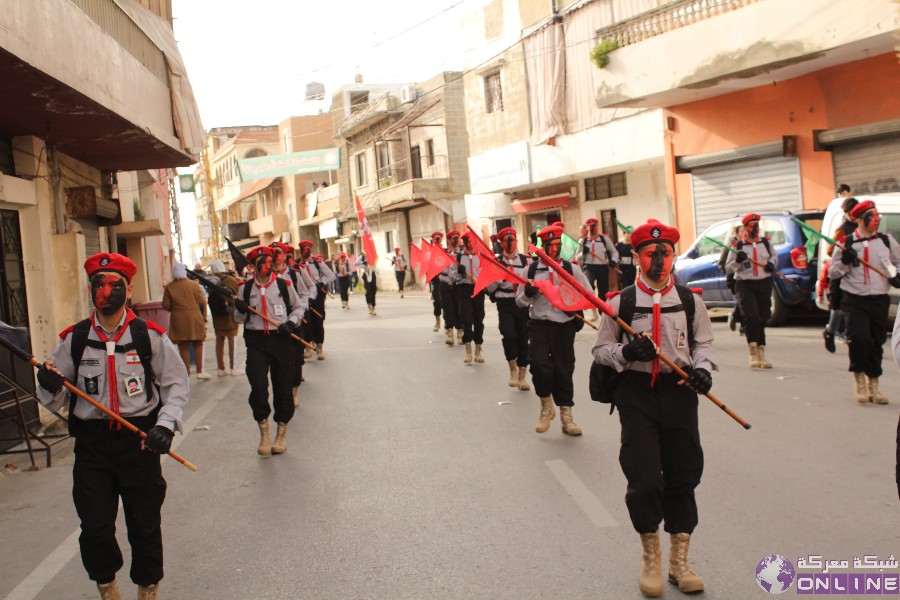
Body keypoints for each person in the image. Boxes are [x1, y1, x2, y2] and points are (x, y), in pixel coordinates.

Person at [35, 252, 188, 600]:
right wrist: (47, 382)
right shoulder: (73, 339)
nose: (106, 291)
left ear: (129, 288)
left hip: (140, 442)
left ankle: (148, 587)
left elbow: (176, 384)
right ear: (90, 291)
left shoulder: (148, 336)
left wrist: (165, 426)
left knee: (145, 524)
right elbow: (52, 398)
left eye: (114, 284)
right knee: (95, 525)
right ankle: (106, 584)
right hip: (92, 447)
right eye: (98, 285)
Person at [592, 219, 715, 597]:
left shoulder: (691, 300)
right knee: (644, 478)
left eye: (666, 252)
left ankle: (680, 562)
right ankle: (651, 557)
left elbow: (703, 345)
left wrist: (703, 372)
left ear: (675, 255)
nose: (659, 259)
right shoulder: (619, 303)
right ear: (636, 257)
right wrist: (628, 352)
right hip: (637, 395)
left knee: (683, 474)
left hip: (679, 394)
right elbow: (600, 351)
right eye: (651, 253)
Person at [515, 224, 590, 437]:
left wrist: (576, 310)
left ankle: (567, 416)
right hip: (539, 324)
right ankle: (546, 407)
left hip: (563, 326)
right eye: (550, 245)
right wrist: (528, 293)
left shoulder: (571, 269)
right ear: (543, 246)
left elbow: (587, 294)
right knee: (539, 366)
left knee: (563, 370)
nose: (554, 250)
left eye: (557, 245)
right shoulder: (530, 270)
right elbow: (519, 301)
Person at [233, 246, 305, 455]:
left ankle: (281, 432)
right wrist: (240, 311)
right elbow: (239, 320)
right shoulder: (244, 288)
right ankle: (264, 431)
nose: (267, 266)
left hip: (281, 339)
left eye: (269, 262)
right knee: (258, 385)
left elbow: (298, 307)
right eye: (262, 263)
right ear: (254, 266)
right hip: (256, 342)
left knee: (283, 387)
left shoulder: (284, 284)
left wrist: (291, 323)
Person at [829, 199, 900, 404]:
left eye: (878, 216)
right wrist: (844, 261)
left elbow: (898, 261)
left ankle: (874, 385)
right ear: (860, 219)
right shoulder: (846, 243)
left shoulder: (886, 241)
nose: (876, 220)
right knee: (859, 339)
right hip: (855, 299)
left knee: (876, 341)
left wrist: (897, 275)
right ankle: (859, 380)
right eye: (872, 216)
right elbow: (833, 272)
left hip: (879, 298)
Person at [725, 214, 776, 369]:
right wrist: (738, 261)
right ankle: (753, 353)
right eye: (752, 225)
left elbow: (774, 257)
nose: (755, 228)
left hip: (764, 283)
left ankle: (762, 353)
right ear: (746, 228)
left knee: (763, 317)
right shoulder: (738, 246)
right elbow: (728, 267)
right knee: (752, 317)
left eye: (757, 225)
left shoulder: (766, 243)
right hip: (745, 285)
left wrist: (771, 265)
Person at [487, 227, 531, 389]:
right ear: (502, 243)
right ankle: (512, 369)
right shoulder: (497, 262)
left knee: (523, 339)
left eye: (512, 240)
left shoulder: (526, 261)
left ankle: (522, 375)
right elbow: (490, 288)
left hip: (522, 304)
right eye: (507, 241)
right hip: (505, 304)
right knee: (509, 334)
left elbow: (533, 282)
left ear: (517, 241)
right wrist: (499, 277)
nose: (510, 243)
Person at [270, 241, 311, 402]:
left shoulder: (294, 274)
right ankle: (284, 392)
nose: (276, 256)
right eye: (273, 253)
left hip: (294, 323)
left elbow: (305, 293)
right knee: (280, 363)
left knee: (296, 361)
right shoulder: (266, 276)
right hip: (276, 327)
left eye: (278, 252)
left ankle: (294, 389)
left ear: (285, 255)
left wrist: (301, 311)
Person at [162, 263, 210, 379]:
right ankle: (200, 371)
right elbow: (203, 302)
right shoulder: (194, 285)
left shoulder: (169, 287)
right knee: (198, 344)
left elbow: (166, 305)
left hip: (179, 320)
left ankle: (186, 373)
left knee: (183, 347)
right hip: (195, 318)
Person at [823, 197, 860, 350]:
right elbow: (830, 250)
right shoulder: (843, 229)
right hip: (843, 272)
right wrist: (845, 254)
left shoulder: (862, 226)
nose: (852, 215)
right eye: (849, 212)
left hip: (859, 272)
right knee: (838, 307)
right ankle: (830, 331)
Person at [297, 240, 335, 360]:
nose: (306, 252)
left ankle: (319, 347)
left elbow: (331, 275)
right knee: (306, 322)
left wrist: (321, 283)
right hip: (304, 296)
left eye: (308, 250)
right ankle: (307, 347)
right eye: (304, 250)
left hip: (318, 296)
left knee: (318, 321)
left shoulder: (318, 263)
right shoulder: (297, 265)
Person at [452, 231, 486, 364]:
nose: (471, 245)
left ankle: (478, 349)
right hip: (464, 289)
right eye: (468, 242)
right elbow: (451, 276)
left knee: (479, 318)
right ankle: (468, 350)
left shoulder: (481, 257)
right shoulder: (458, 257)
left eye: (473, 242)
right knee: (466, 318)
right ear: (464, 243)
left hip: (478, 289)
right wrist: (459, 273)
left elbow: (486, 272)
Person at [578, 217, 619, 320]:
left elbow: (614, 252)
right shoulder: (583, 240)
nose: (593, 228)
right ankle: (593, 311)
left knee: (603, 291)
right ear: (587, 227)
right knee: (589, 287)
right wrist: (583, 252)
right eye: (591, 226)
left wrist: (613, 261)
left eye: (594, 225)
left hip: (602, 267)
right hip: (589, 267)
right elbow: (577, 257)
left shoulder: (604, 239)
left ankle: (603, 312)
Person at [208, 259, 243, 376]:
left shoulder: (211, 281)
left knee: (219, 341)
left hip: (217, 316)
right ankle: (234, 368)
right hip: (229, 314)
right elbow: (238, 292)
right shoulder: (229, 279)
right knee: (232, 340)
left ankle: (221, 368)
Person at [718, 224, 744, 335]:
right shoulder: (732, 245)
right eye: (742, 231)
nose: (744, 233)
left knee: (744, 303)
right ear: (737, 234)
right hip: (734, 279)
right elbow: (724, 263)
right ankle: (735, 316)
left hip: (747, 279)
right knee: (741, 302)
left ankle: (744, 325)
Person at [439, 230, 463, 346]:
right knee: (448, 308)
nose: (456, 240)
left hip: (458, 282)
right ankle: (449, 332)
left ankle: (460, 331)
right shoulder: (442, 252)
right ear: (449, 240)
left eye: (457, 238)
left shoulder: (462, 253)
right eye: (454, 238)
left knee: (458, 307)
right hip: (445, 281)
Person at [428, 231, 444, 332]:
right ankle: (437, 320)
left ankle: (448, 324)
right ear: (433, 240)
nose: (437, 240)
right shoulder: (430, 253)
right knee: (437, 302)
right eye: (435, 239)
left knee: (448, 304)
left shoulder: (445, 251)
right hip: (436, 281)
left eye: (439, 238)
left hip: (446, 280)